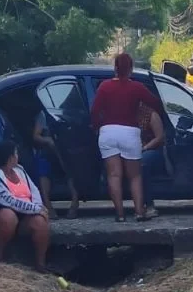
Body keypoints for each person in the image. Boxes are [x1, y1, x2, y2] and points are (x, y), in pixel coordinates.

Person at [90, 53, 163, 222]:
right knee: (135, 176)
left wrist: (97, 127)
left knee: (114, 175)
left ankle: (120, 215)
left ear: (115, 68)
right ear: (131, 69)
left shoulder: (104, 86)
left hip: (108, 132)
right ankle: (139, 211)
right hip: (130, 133)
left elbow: (94, 111)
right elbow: (155, 103)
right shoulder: (137, 87)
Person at [0, 140, 50, 272]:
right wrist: (35, 209)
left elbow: (34, 190)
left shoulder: (20, 170)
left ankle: (41, 264)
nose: (18, 156)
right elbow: (8, 200)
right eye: (16, 153)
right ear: (11, 157)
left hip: (24, 216)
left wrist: (38, 207)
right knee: (8, 215)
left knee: (40, 221)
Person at [31, 111, 79, 220]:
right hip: (48, 150)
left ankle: (75, 203)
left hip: (66, 150)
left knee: (71, 168)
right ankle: (48, 205)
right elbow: (36, 136)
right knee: (43, 167)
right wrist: (48, 141)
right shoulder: (43, 114)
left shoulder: (68, 112)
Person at [138, 103, 166, 218]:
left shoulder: (151, 114)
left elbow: (159, 137)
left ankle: (149, 204)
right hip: (129, 150)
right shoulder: (124, 113)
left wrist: (144, 148)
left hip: (151, 149)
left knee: (143, 163)